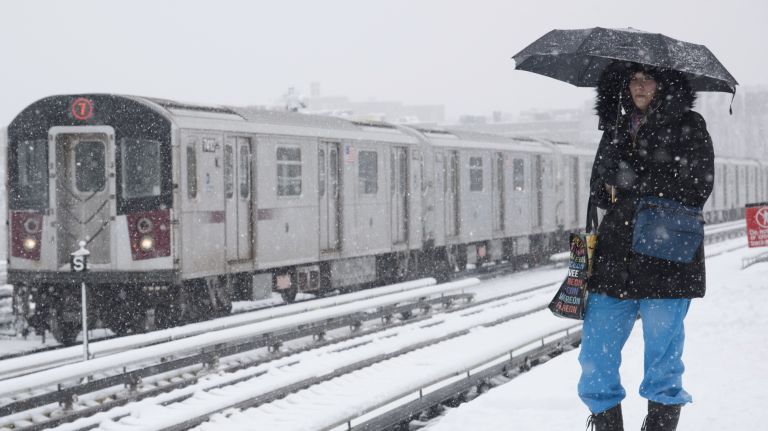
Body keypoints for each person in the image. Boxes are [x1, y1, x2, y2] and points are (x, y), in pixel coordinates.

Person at [579, 62, 715, 431]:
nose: (639, 87)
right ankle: (607, 423)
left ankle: (659, 425)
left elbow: (698, 186)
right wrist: (614, 182)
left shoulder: (689, 126)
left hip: (666, 256)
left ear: (664, 83)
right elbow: (598, 190)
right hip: (616, 255)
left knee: (663, 357)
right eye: (633, 80)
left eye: (647, 79)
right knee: (595, 353)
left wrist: (636, 180)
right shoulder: (617, 127)